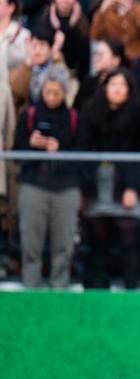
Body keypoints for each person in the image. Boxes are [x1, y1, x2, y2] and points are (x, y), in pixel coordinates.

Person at [12, 61, 81, 288]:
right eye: (47, 92)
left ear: (64, 92)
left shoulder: (73, 119)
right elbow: (16, 155)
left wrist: (59, 150)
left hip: (65, 187)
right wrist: (32, 145)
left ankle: (59, 287)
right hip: (34, 184)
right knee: (31, 243)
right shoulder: (29, 116)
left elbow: (83, 154)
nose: (51, 97)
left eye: (57, 92)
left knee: (63, 244)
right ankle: (31, 287)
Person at [79, 68, 140, 288]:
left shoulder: (139, 115)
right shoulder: (90, 112)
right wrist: (84, 186)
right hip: (96, 180)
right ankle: (98, 287)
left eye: (122, 85)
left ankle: (130, 288)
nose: (117, 89)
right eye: (113, 84)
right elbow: (83, 150)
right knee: (97, 238)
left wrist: (133, 187)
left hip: (126, 179)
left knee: (128, 234)